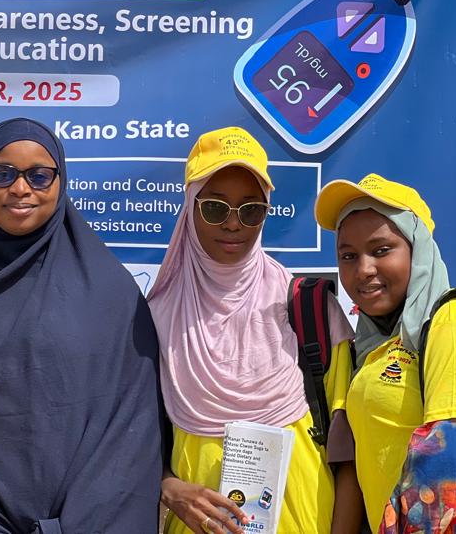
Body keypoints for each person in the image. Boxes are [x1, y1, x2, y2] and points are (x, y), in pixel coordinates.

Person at [0, 117, 165, 533]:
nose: (20, 189)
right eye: (3, 174)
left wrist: (82, 523)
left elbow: (131, 427)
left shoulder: (111, 293)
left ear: (60, 181)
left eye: (39, 176)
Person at [148, 127, 356, 534]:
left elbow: (349, 455)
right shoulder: (154, 319)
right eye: (214, 208)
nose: (233, 224)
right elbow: (128, 441)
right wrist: (168, 487)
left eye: (251, 210)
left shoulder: (310, 310)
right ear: (190, 206)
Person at [314, 173, 456, 534]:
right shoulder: (378, 346)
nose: (363, 270)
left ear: (418, 251)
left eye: (381, 250)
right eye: (348, 255)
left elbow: (452, 489)